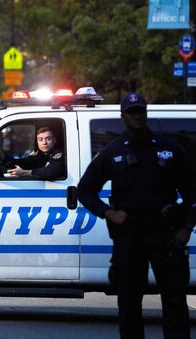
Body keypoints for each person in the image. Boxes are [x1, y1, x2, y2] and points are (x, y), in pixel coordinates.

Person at [77, 93, 196, 339]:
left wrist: (187, 228)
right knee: (129, 302)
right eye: (131, 111)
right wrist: (108, 213)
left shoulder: (168, 149)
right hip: (129, 235)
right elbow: (85, 190)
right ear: (123, 117)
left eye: (140, 110)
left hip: (166, 234)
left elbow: (192, 192)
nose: (137, 115)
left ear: (146, 113)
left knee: (174, 301)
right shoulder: (112, 152)